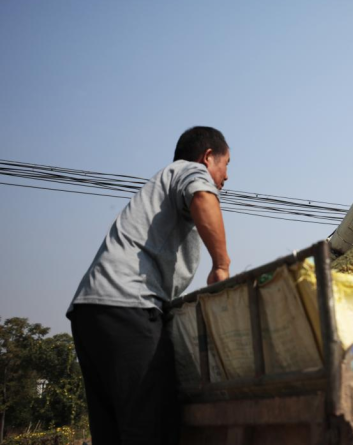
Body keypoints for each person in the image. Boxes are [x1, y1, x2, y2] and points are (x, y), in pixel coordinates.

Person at [66, 126, 232, 445]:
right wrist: (221, 265)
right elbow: (202, 195)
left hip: (90, 311)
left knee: (114, 431)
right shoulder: (189, 170)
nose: (226, 177)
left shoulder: (159, 185)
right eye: (226, 164)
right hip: (129, 306)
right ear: (208, 157)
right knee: (150, 426)